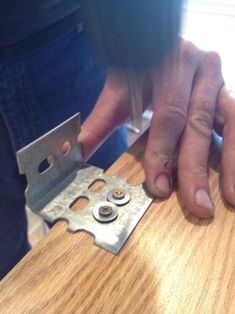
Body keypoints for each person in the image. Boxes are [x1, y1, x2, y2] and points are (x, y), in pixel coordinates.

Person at [0, 1, 233, 280]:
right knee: (10, 273)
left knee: (116, 256)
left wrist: (150, 39)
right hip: (73, 39)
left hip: (69, 40)